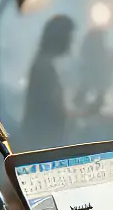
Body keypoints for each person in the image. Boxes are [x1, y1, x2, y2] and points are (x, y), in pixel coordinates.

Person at [19, 14, 74, 151]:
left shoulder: (44, 64)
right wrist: (85, 114)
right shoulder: (43, 68)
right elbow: (52, 112)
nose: (71, 43)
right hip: (44, 147)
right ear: (59, 38)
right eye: (69, 37)